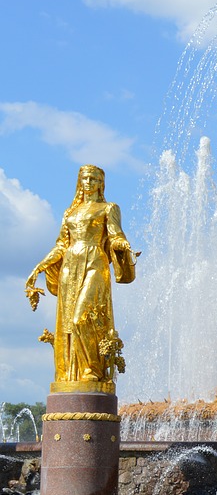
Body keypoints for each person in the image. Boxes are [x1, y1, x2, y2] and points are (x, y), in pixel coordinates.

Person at [26, 164, 135, 387]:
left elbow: (115, 235)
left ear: (101, 184)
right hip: (70, 265)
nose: (89, 183)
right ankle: (72, 376)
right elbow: (61, 246)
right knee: (68, 323)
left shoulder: (108, 208)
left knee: (82, 317)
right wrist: (39, 267)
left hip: (96, 261)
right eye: (85, 178)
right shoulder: (70, 213)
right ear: (79, 182)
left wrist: (122, 245)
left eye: (94, 179)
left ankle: (93, 369)